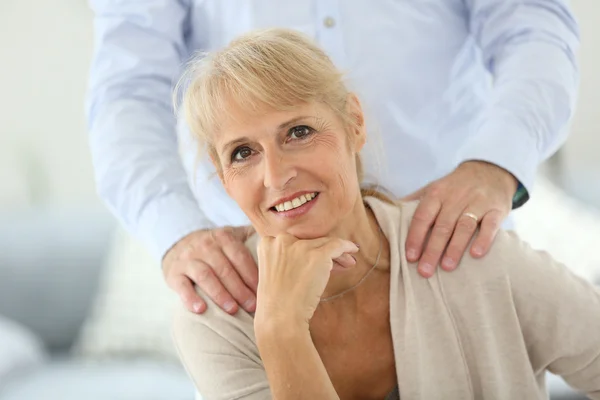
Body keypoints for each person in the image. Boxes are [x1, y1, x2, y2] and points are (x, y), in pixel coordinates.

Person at [171, 28, 599, 399]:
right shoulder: (214, 317)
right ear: (222, 176)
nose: (276, 176)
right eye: (243, 153)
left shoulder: (465, 251)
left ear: (354, 123)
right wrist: (280, 331)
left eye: (298, 132)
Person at [86, 1, 580, 316]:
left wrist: (496, 161)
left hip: (450, 244)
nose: (280, 169)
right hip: (257, 285)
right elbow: (128, 88)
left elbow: (532, 25)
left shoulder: (509, 273)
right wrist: (177, 232)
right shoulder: (221, 329)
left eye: (299, 133)